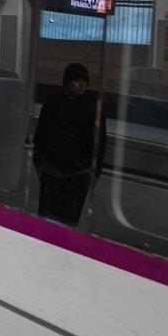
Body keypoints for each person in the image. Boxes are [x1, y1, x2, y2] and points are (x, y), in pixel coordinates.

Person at [32, 63, 105, 226]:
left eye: (84, 80)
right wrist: (39, 162)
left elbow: (99, 141)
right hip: (54, 170)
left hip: (78, 172)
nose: (82, 84)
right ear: (67, 81)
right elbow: (42, 134)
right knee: (49, 219)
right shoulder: (53, 102)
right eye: (77, 80)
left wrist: (94, 172)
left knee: (69, 220)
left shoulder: (92, 106)